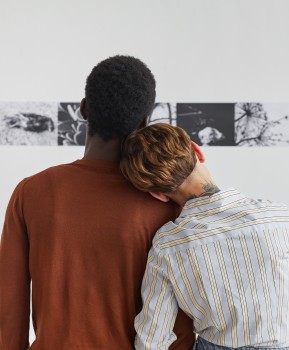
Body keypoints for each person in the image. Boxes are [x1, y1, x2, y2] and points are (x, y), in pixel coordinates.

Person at [0, 56, 195, 350]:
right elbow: (181, 318)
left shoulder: (31, 192)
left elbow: (8, 305)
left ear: (83, 108)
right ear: (144, 121)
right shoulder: (167, 203)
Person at [120, 123, 289, 350]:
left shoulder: (168, 244)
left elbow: (152, 339)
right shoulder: (277, 217)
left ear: (158, 195)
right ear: (197, 150)